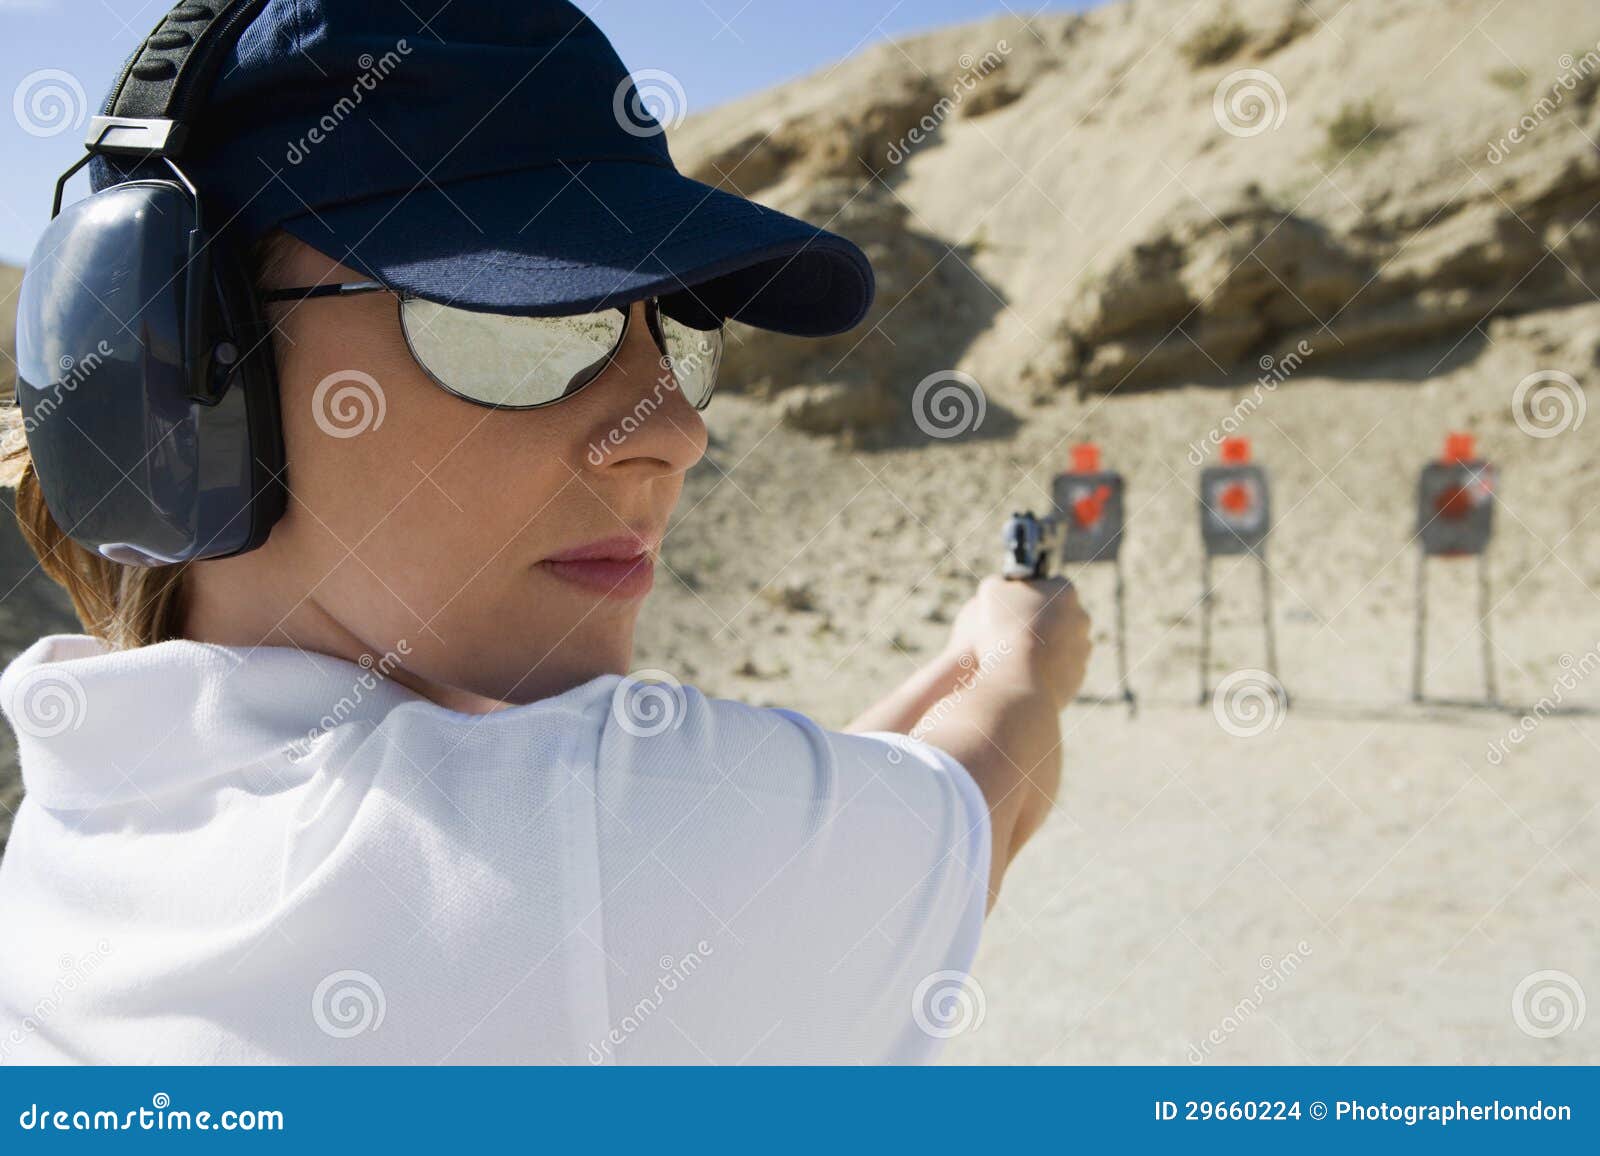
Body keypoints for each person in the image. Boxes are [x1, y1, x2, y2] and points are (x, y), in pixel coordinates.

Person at [0, 0, 1089, 1064]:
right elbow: (972, 797)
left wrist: (955, 669)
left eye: (677, 328)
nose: (670, 429)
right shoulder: (590, 853)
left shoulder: (88, 802)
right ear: (187, 377)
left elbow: (772, 820)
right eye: (515, 322)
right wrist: (1014, 655)